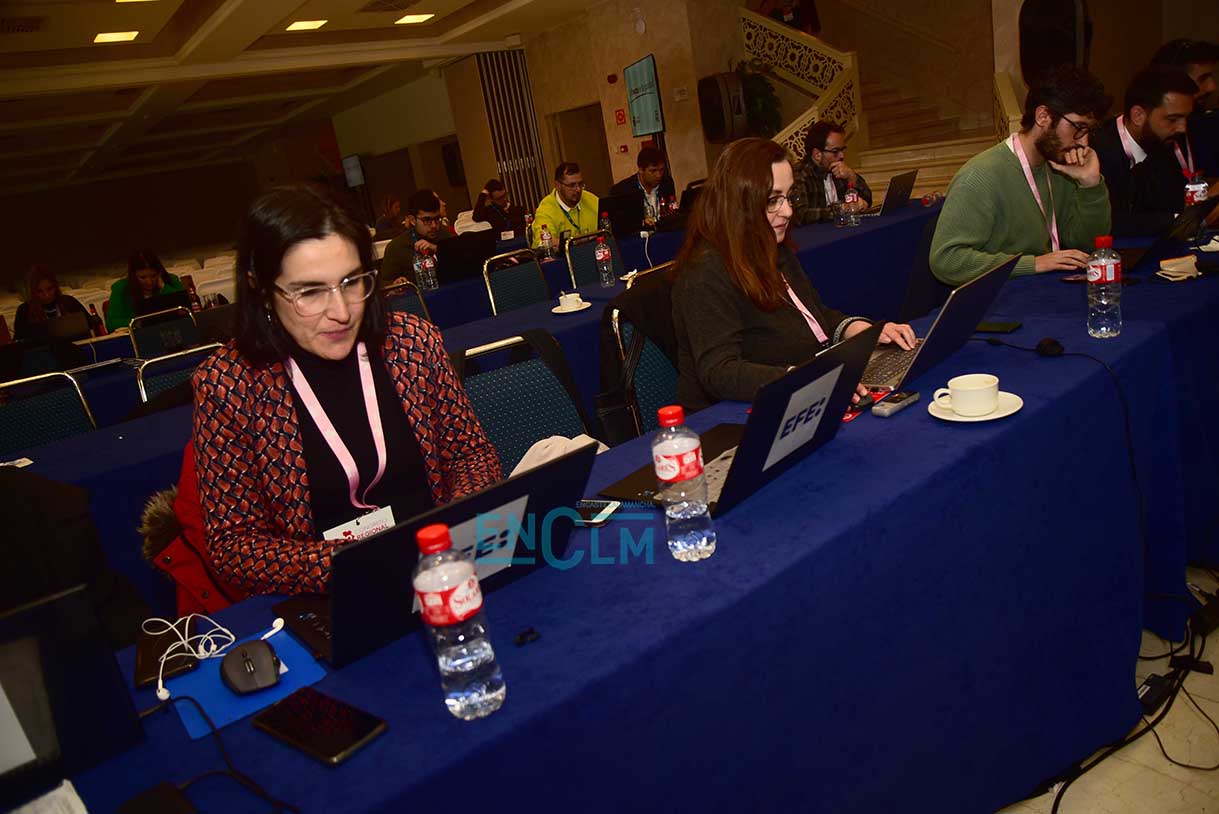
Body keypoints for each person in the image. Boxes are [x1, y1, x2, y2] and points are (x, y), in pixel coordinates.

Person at [191, 184, 501, 596]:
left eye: (352, 282)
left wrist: (445, 541)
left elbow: (472, 456)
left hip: (442, 569)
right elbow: (233, 545)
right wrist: (356, 563)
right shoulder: (229, 385)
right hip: (333, 595)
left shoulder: (412, 342)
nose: (340, 312)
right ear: (261, 289)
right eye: (309, 292)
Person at [671, 137, 915, 412]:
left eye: (788, 197)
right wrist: (803, 380)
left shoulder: (771, 245)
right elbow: (720, 371)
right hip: (729, 414)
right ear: (739, 203)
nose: (787, 211)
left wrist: (862, 330)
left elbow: (813, 316)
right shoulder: (705, 272)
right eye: (772, 200)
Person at [930, 65, 1112, 286]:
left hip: (1043, 289)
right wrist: (1032, 264)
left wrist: (1090, 184)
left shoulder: (1058, 167)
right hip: (1001, 298)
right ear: (1043, 116)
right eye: (1078, 128)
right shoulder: (981, 175)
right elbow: (946, 261)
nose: (1083, 142)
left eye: (1088, 131)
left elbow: (1087, 246)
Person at [1092, 66, 1198, 236]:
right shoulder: (1098, 151)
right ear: (1138, 116)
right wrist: (1178, 220)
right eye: (1173, 119)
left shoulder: (1166, 142)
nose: (1182, 128)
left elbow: (1173, 202)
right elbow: (1108, 222)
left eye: (1186, 118)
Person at [792, 121, 872, 225]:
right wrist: (841, 208)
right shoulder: (800, 174)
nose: (841, 156)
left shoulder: (839, 170)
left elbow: (868, 200)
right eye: (835, 151)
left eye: (842, 150)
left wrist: (851, 176)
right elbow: (800, 215)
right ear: (817, 154)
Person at [380, 189, 452, 287]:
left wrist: (437, 248)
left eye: (436, 219)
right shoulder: (397, 247)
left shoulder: (444, 234)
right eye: (427, 220)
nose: (434, 225)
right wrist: (395, 284)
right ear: (412, 220)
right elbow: (384, 284)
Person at [105, 249, 184, 332]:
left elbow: (185, 309)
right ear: (133, 276)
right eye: (143, 277)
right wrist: (139, 322)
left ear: (159, 273)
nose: (149, 282)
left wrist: (164, 287)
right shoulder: (121, 288)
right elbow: (111, 323)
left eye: (153, 276)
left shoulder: (171, 281)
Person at [532, 162, 600, 248]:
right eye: (572, 185)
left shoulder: (590, 198)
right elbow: (544, 242)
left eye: (580, 184)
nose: (578, 189)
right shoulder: (546, 210)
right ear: (558, 185)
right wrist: (575, 242)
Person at [13, 265, 87, 341]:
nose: (46, 295)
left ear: (56, 287)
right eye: (40, 291)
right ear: (33, 292)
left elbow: (90, 325)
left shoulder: (69, 302)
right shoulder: (24, 311)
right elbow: (19, 341)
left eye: (49, 289)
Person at [609, 146, 678, 228]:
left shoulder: (667, 183)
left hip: (664, 230)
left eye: (661, 170)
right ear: (641, 170)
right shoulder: (622, 190)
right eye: (653, 171)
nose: (659, 175)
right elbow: (621, 224)